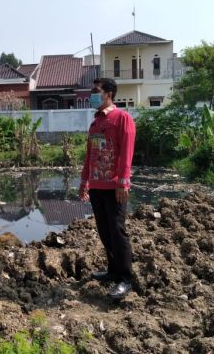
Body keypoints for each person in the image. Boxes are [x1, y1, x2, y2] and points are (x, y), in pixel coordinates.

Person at [79, 78, 136, 299]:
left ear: (109, 93)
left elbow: (126, 152)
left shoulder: (122, 118)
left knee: (117, 230)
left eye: (96, 91)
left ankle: (125, 279)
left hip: (114, 186)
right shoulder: (94, 123)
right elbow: (89, 156)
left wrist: (123, 181)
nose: (92, 95)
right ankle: (113, 271)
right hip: (96, 186)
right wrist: (84, 181)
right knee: (104, 230)